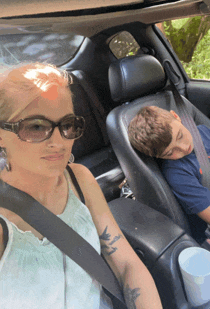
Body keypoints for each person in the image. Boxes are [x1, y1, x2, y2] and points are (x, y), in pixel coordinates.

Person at [0, 63, 162, 309]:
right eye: (35, 126)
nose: (59, 142)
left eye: (67, 125)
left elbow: (127, 265)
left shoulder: (80, 179)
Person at [128, 105, 210, 243]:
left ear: (176, 116)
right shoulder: (177, 174)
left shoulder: (202, 131)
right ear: (158, 157)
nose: (184, 148)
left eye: (180, 136)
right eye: (170, 153)